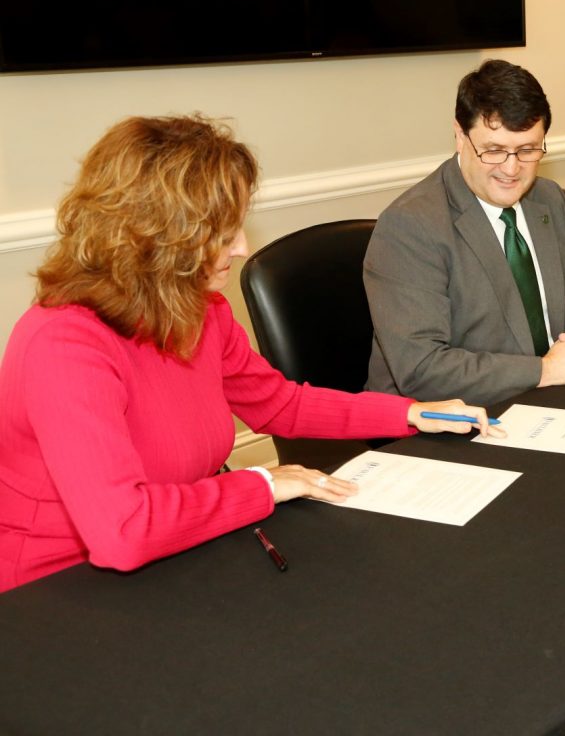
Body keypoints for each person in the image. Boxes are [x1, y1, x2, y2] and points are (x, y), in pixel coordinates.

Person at [0, 115, 501, 593]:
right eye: (223, 235)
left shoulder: (199, 309)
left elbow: (279, 404)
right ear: (158, 240)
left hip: (178, 559)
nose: (241, 247)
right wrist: (261, 486)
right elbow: (123, 531)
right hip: (53, 592)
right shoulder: (63, 346)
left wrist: (410, 412)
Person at [364, 59, 565, 406]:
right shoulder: (411, 226)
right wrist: (543, 370)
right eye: (493, 150)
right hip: (443, 420)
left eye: (527, 150)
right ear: (460, 136)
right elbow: (421, 369)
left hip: (552, 397)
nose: (511, 169)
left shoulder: (551, 200)